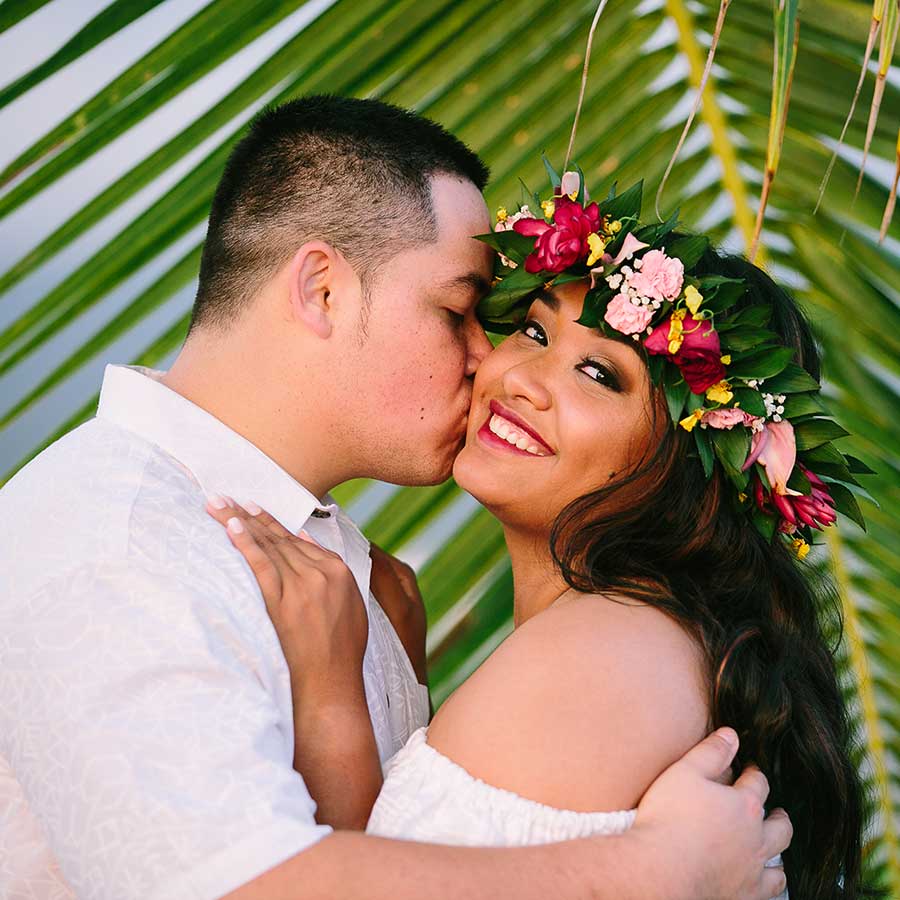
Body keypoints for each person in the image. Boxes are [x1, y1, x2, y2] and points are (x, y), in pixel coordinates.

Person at [0, 96, 791, 900]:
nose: (490, 359)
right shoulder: (117, 550)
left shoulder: (349, 576)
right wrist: (665, 869)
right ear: (324, 291)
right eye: (458, 311)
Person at [203, 171, 878, 898]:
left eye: (598, 372)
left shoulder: (603, 653)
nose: (520, 378)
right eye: (533, 329)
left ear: (692, 463)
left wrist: (332, 700)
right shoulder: (644, 642)